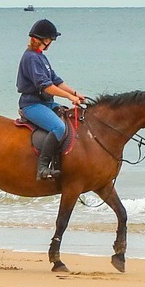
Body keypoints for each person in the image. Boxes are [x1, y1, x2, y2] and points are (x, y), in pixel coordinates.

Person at [16, 18, 86, 179]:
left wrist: (75, 94)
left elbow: (56, 80)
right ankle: (42, 168)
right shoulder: (31, 58)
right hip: (32, 104)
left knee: (70, 117)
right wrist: (69, 96)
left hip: (47, 103)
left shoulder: (41, 57)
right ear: (45, 40)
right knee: (58, 128)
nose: (51, 43)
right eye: (51, 40)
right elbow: (45, 86)